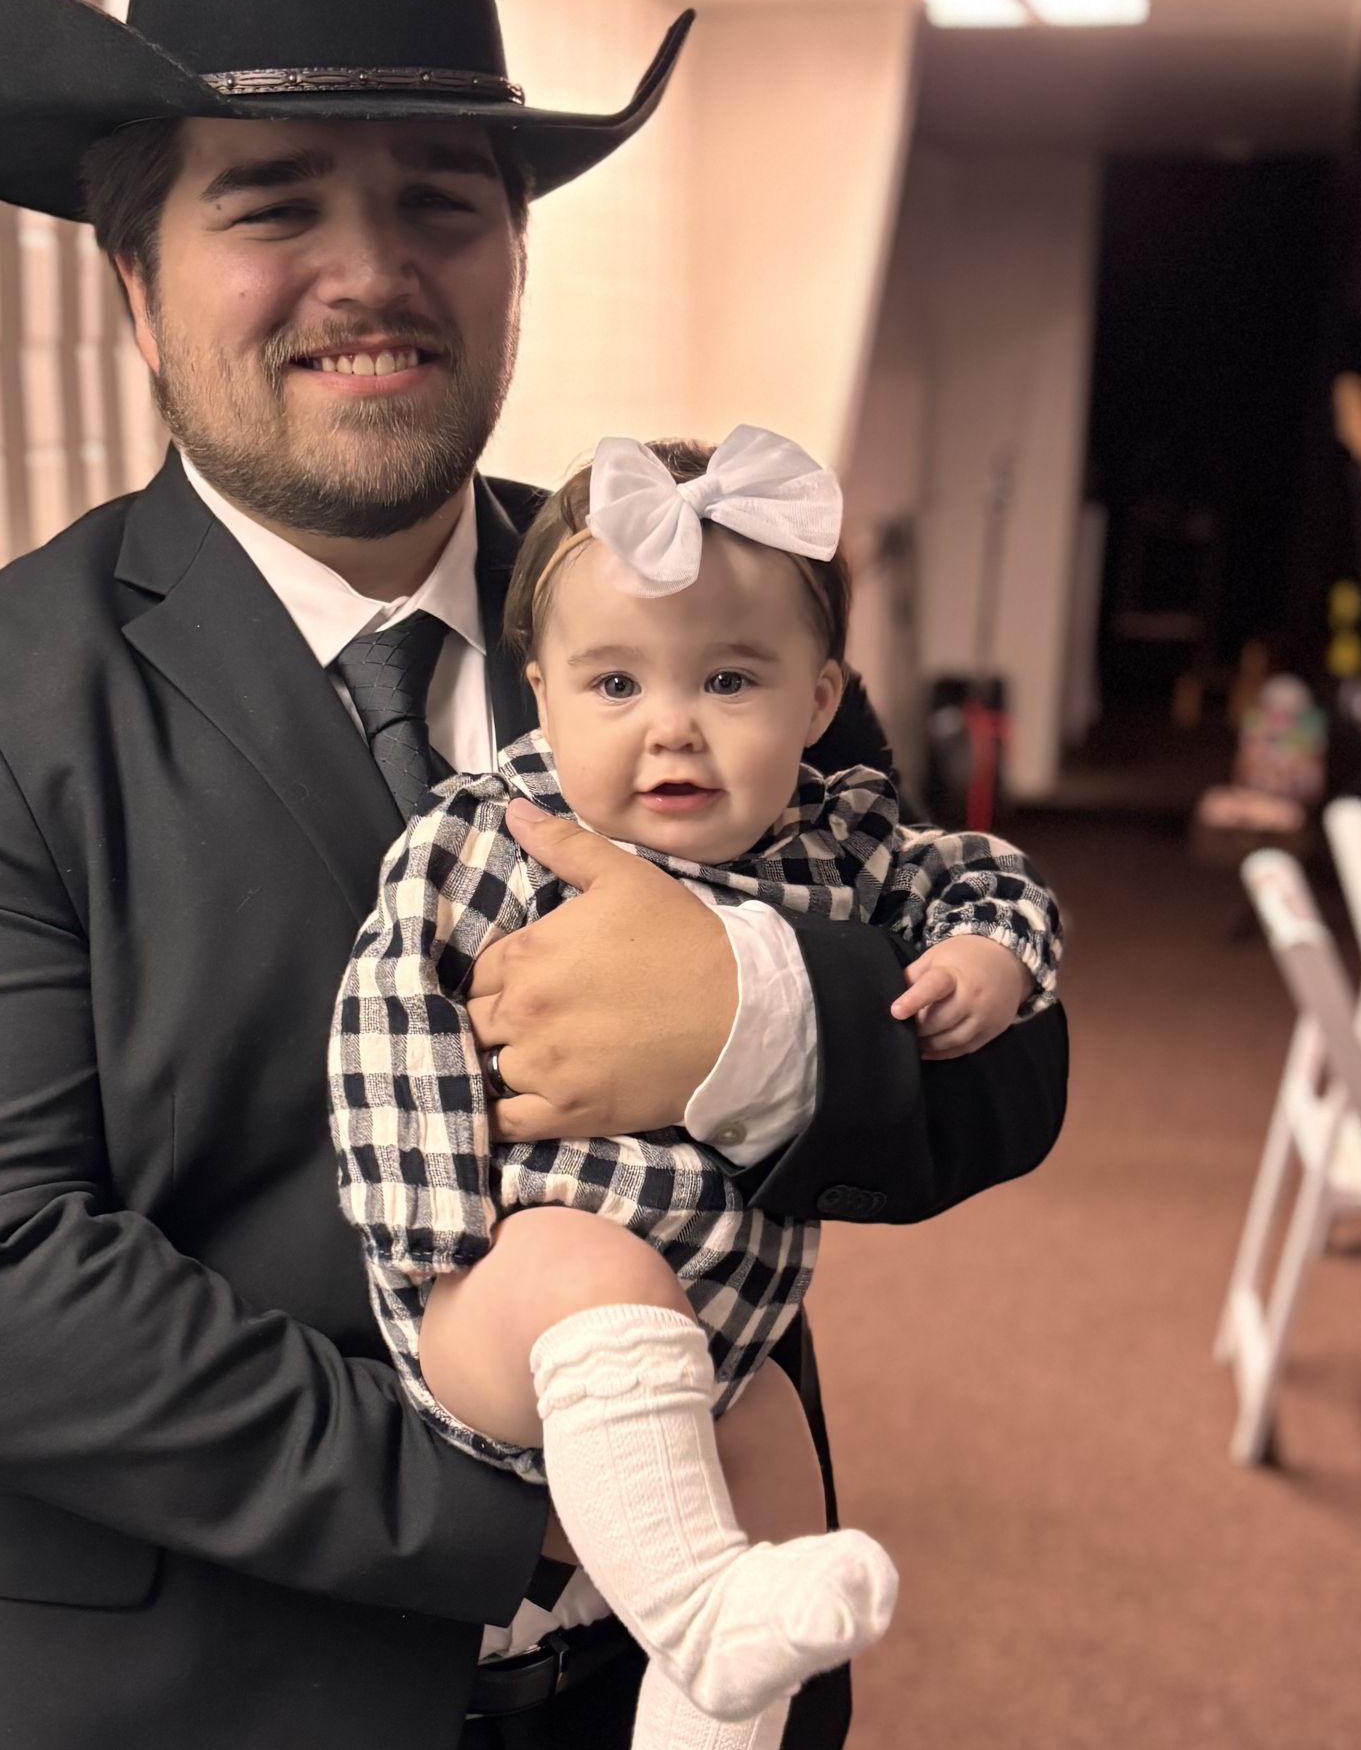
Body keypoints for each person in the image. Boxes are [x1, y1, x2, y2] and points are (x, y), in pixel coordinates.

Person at [0, 0, 1069, 1750]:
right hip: (201, 1704)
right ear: (135, 282)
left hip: (676, 1699)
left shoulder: (694, 603)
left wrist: (752, 1019)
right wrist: (528, 1502)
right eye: (272, 201)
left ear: (513, 258)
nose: (369, 269)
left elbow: (1006, 1079)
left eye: (440, 203)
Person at [331, 427, 1063, 1750]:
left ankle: (711, 1707)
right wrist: (430, 1231)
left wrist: (984, 956)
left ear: (820, 698)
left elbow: (982, 879)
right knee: (594, 1275)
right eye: (616, 684)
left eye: (728, 681)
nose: (671, 724)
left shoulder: (835, 832)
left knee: (780, 1510)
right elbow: (390, 1005)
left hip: (728, 1342)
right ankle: (702, 1611)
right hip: (510, 1297)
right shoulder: (498, 830)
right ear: (542, 694)